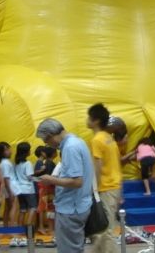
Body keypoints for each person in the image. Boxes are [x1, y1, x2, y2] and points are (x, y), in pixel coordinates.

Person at [37, 118, 93, 253]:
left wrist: (51, 180)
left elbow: (77, 181)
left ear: (51, 135)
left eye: (46, 141)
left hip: (71, 208)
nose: (48, 145)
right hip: (79, 204)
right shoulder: (78, 142)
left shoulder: (70, 147)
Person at [86, 103, 122, 253]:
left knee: (105, 230)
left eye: (89, 117)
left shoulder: (97, 140)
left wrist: (93, 190)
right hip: (114, 186)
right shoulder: (109, 138)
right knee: (104, 230)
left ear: (96, 121)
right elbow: (116, 163)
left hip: (105, 188)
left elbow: (98, 167)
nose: (87, 120)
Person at [0, 141, 18, 244]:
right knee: (13, 207)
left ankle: (6, 228)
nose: (9, 151)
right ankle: (12, 230)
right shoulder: (6, 163)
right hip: (11, 187)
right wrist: (10, 191)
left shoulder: (3, 163)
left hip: (9, 187)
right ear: (2, 152)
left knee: (8, 208)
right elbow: (6, 178)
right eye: (7, 149)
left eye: (9, 149)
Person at [14, 142, 36, 247]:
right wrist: (38, 178)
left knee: (22, 210)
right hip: (28, 189)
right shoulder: (28, 164)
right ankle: (29, 230)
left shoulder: (16, 164)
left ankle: (20, 232)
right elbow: (29, 177)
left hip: (20, 190)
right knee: (32, 208)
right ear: (26, 152)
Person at [35, 146, 57, 234]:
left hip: (44, 187)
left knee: (44, 207)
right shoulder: (50, 163)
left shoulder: (45, 162)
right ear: (53, 154)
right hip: (48, 188)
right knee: (49, 207)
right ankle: (49, 228)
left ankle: (46, 227)